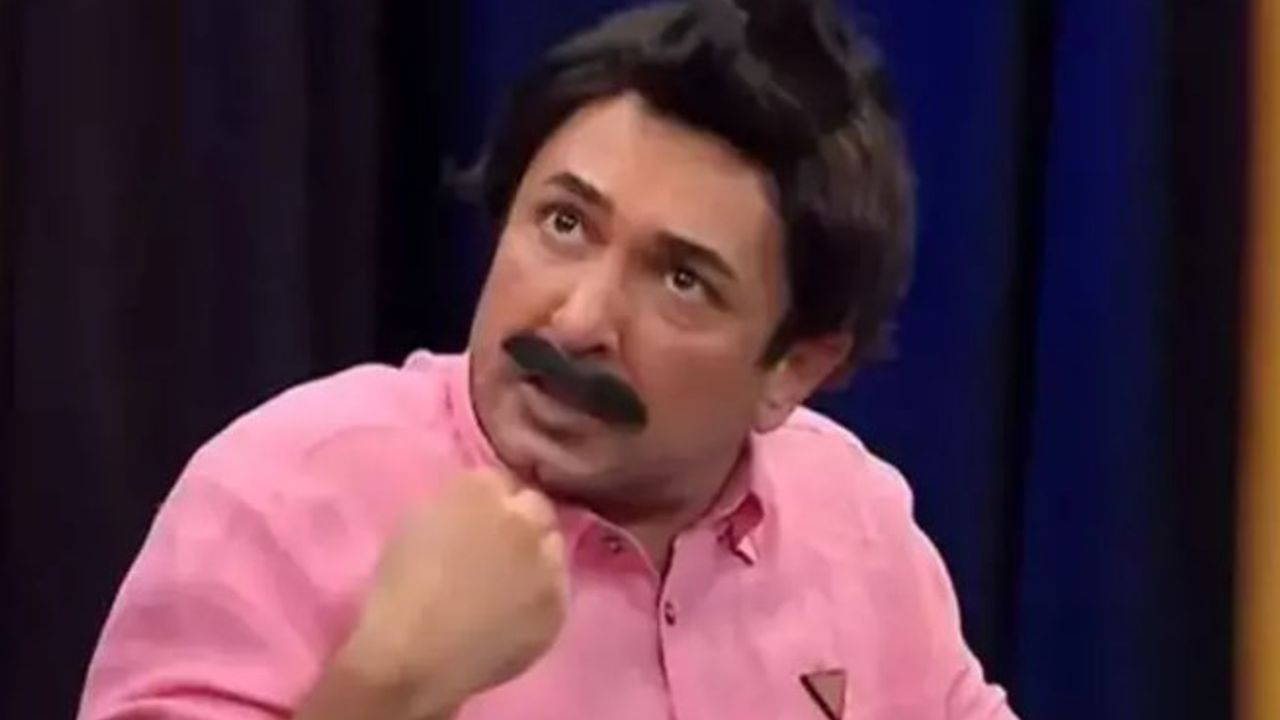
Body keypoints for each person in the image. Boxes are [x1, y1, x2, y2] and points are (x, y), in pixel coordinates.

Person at [79, 1, 1017, 718]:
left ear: (795, 370)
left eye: (681, 280)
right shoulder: (282, 497)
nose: (578, 322)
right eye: (565, 224)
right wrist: (390, 686)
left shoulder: (853, 523)